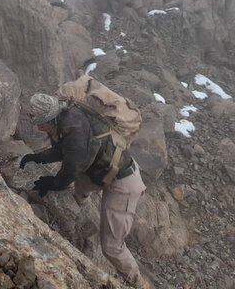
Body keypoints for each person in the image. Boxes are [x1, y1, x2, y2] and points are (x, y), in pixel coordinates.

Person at [20, 93, 152, 289]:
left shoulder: (75, 131)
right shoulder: (65, 117)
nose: (38, 128)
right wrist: (38, 158)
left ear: (50, 118)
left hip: (122, 182)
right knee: (79, 190)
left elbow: (72, 165)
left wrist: (55, 183)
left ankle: (137, 282)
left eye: (40, 123)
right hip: (101, 170)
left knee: (111, 247)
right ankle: (80, 221)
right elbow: (64, 151)